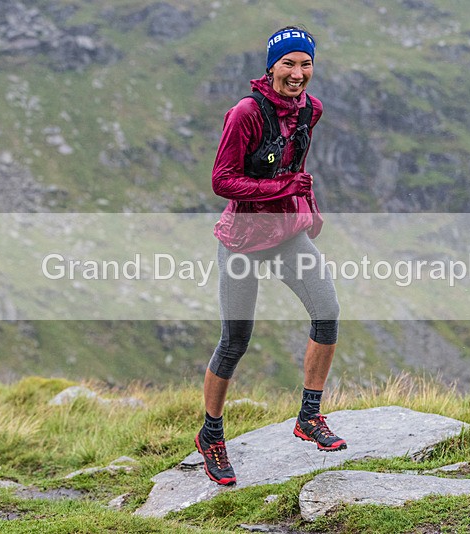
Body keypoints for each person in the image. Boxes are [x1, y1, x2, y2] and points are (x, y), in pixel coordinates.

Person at [194, 26, 345, 486]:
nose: (298, 74)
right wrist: (282, 187)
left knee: (328, 313)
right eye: (288, 64)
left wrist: (306, 206)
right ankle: (211, 436)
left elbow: (293, 165)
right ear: (271, 66)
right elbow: (223, 181)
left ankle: (309, 417)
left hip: (287, 234)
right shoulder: (245, 113)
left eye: (305, 64)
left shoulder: (310, 111)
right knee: (235, 340)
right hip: (241, 241)